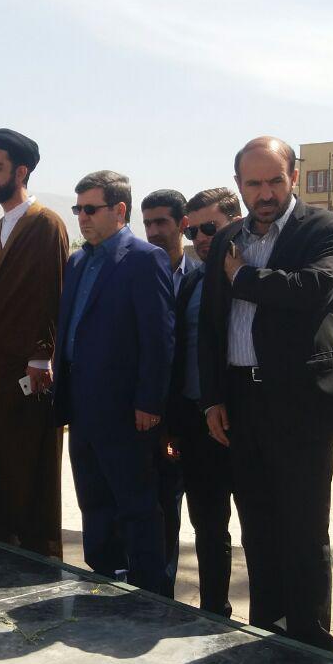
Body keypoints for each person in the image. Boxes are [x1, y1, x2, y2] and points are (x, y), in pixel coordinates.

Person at [198, 137, 333, 651]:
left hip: (300, 404)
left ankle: (310, 640)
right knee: (258, 527)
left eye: (274, 181)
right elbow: (211, 325)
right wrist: (212, 398)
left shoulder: (324, 229)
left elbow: (312, 289)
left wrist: (245, 276)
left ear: (294, 177)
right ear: (239, 185)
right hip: (241, 403)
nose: (264, 193)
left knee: (304, 529)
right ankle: (267, 630)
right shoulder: (228, 238)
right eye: (254, 183)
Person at [55, 171, 174, 595]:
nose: (82, 217)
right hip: (82, 405)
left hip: (126, 411)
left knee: (136, 507)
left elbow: (159, 338)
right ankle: (104, 584)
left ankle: (150, 596)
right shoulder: (77, 262)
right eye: (78, 209)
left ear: (119, 210)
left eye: (91, 209)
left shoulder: (144, 260)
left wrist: (149, 402)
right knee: (94, 502)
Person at [0, 128, 68, 558]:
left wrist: (42, 356)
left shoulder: (46, 225)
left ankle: (33, 554)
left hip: (26, 372)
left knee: (27, 468)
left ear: (21, 172)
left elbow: (51, 294)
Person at [166, 187, 241, 615]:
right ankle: (214, 611)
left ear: (236, 221)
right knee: (209, 525)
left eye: (210, 228)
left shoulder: (257, 272)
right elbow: (180, 355)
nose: (200, 239)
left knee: (266, 526)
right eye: (192, 231)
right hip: (198, 424)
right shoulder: (193, 280)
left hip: (249, 422)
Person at [140, 188, 198, 598]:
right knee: (157, 511)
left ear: (183, 224)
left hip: (195, 413)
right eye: (147, 223)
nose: (154, 231)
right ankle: (158, 595)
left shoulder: (202, 275)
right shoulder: (137, 273)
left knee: (202, 517)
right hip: (150, 415)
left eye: (161, 222)